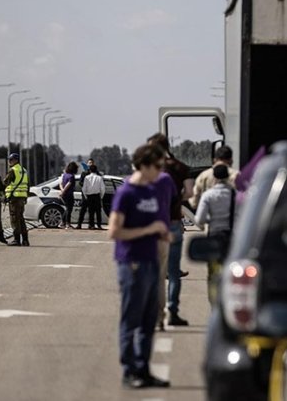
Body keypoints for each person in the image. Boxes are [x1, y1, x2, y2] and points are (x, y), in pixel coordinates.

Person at [108, 143, 171, 389]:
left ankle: (143, 369)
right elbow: (113, 231)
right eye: (156, 166)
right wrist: (149, 229)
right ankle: (129, 370)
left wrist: (162, 233)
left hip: (151, 259)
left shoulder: (151, 191)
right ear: (143, 165)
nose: (160, 171)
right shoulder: (127, 193)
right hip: (131, 262)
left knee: (148, 319)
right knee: (131, 319)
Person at [147, 133, 192, 326]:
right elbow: (189, 192)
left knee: (155, 271)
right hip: (173, 222)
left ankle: (155, 312)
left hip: (154, 224)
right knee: (173, 271)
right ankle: (172, 311)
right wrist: (175, 200)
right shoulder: (180, 167)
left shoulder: (150, 168)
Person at [195, 164, 237, 304]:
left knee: (213, 273)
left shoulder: (208, 195)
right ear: (227, 176)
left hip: (214, 236)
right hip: (231, 237)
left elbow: (199, 219)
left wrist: (211, 219)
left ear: (214, 177)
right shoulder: (235, 195)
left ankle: (215, 303)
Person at [153, 164, 177, 331]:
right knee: (160, 277)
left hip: (142, 236)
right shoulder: (166, 180)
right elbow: (175, 200)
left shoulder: (133, 182)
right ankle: (159, 316)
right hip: (162, 231)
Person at [191, 145, 239, 209]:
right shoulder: (237, 175)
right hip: (232, 217)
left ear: (214, 160)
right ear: (231, 160)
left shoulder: (203, 176)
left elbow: (194, 203)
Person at [4, 153, 30, 246]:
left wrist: (4, 194)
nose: (9, 162)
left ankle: (16, 240)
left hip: (14, 198)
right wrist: (26, 197)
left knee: (15, 219)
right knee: (21, 219)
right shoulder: (24, 170)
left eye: (10, 160)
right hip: (22, 198)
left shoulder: (13, 170)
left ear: (15, 160)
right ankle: (25, 240)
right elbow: (28, 185)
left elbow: (5, 182)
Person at [82, 164, 106, 229]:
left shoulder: (86, 178)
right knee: (98, 211)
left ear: (90, 170)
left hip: (89, 196)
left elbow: (84, 188)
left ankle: (91, 225)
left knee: (91, 211)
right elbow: (103, 188)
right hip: (97, 196)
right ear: (96, 170)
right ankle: (99, 225)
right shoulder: (99, 178)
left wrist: (86, 196)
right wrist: (101, 196)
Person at [76, 158, 96, 229]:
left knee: (92, 211)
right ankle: (79, 224)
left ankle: (91, 225)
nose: (90, 164)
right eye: (89, 163)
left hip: (93, 195)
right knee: (83, 210)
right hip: (85, 194)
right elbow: (80, 182)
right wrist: (86, 185)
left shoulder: (96, 173)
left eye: (92, 163)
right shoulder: (84, 173)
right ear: (87, 164)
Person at [59, 161, 78, 229]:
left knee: (67, 209)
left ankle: (63, 223)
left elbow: (60, 184)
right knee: (69, 209)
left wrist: (62, 191)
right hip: (69, 194)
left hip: (64, 194)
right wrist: (63, 192)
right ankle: (67, 223)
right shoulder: (71, 176)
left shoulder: (64, 175)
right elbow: (68, 184)